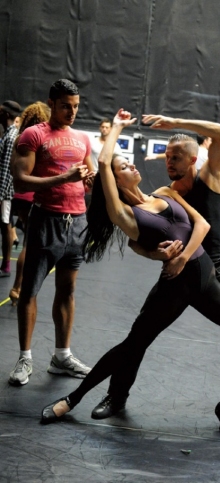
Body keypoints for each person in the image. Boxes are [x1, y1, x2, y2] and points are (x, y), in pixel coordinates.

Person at [41, 108, 220, 433]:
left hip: (205, 280)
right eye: (124, 166)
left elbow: (201, 224)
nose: (131, 165)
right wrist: (117, 127)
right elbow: (104, 164)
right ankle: (73, 400)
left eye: (129, 163)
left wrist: (180, 256)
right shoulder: (125, 214)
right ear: (115, 181)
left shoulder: (163, 193)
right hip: (175, 288)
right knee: (132, 345)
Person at [99, 114, 220, 420]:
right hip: (178, 274)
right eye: (166, 157)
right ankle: (116, 396)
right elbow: (136, 240)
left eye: (175, 157)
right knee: (141, 333)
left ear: (192, 159)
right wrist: (157, 255)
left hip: (214, 271)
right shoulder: (167, 192)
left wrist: (173, 121)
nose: (169, 162)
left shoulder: (211, 176)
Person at [9, 79, 95, 386]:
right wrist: (64, 177)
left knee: (67, 291)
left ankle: (61, 356)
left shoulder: (83, 139)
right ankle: (24, 358)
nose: (71, 112)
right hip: (46, 220)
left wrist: (90, 182)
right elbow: (20, 180)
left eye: (75, 106)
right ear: (52, 103)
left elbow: (86, 177)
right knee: (30, 290)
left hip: (78, 222)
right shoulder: (33, 135)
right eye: (65, 106)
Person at [9, 101, 51, 305]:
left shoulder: (20, 139)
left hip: (18, 195)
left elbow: (12, 171)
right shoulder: (41, 139)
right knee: (28, 243)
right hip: (33, 196)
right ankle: (18, 286)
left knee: (23, 235)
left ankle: (19, 286)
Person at [0, 100, 22, 277]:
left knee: (5, 225)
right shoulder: (7, 133)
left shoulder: (11, 135)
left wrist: (1, 195)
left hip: (4, 192)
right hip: (3, 192)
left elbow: (7, 169)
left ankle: (6, 265)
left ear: (6, 115)